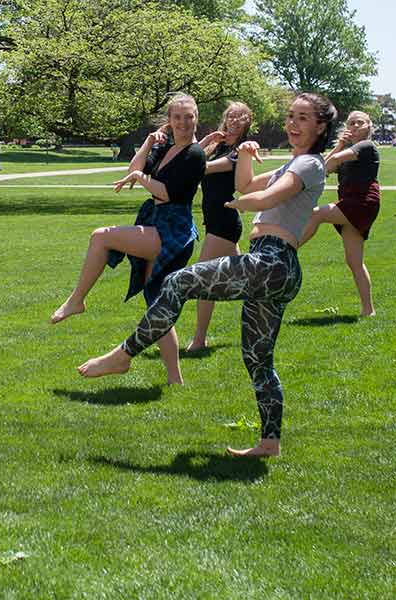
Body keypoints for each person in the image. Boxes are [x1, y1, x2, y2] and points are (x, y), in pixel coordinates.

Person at [76, 93, 336, 458]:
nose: (293, 124)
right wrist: (244, 154)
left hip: (271, 262)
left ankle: (124, 354)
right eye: (290, 116)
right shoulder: (294, 163)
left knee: (178, 281)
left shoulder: (308, 164)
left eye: (303, 119)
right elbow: (244, 185)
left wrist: (245, 205)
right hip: (275, 267)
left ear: (320, 127)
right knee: (258, 360)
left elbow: (266, 197)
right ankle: (270, 442)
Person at [51, 93, 205, 385]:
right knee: (156, 304)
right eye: (177, 117)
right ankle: (176, 380)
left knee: (101, 237)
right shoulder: (167, 148)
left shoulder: (194, 154)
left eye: (189, 117)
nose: (183, 123)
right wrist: (148, 144)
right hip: (158, 222)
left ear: (196, 118)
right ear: (169, 122)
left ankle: (76, 300)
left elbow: (167, 192)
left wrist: (141, 179)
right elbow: (133, 169)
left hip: (173, 228)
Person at [186, 102, 254, 351]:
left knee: (203, 278)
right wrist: (204, 142)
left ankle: (199, 340)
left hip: (224, 223)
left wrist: (196, 153)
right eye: (231, 116)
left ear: (248, 121)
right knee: (246, 281)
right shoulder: (217, 146)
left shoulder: (239, 151)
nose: (234, 120)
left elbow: (198, 167)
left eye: (240, 117)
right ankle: (266, 301)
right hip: (213, 221)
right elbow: (191, 159)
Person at [299, 110, 380, 316]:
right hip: (350, 201)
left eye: (358, 123)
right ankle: (368, 311)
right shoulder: (349, 148)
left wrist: (341, 148)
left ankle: (290, 247)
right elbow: (324, 167)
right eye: (350, 123)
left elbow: (334, 161)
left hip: (362, 202)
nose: (353, 126)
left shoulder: (366, 146)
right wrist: (340, 144)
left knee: (317, 214)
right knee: (354, 262)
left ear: (368, 126)